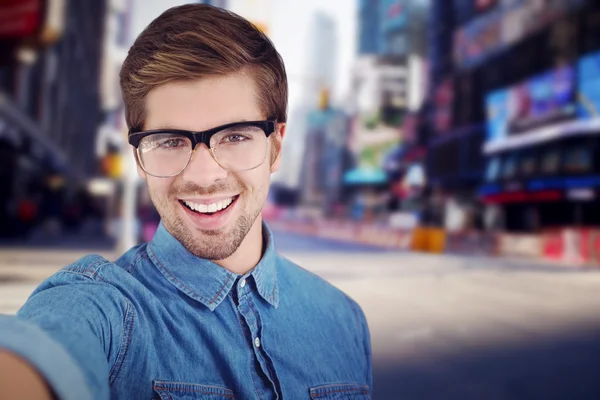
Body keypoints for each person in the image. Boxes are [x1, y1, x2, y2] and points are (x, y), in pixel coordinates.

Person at [0, 4, 372, 400]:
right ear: (139, 158)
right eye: (170, 141)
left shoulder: (345, 320)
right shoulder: (104, 308)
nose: (203, 175)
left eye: (235, 136)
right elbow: (44, 347)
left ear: (275, 148)